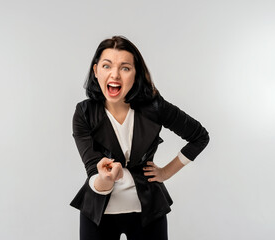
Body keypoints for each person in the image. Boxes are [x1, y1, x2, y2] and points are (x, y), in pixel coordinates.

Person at [70, 36, 209, 240]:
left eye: (125, 68)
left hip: (149, 211)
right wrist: (106, 179)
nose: (115, 75)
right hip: (98, 215)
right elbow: (93, 171)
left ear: (136, 74)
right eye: (107, 66)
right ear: (96, 71)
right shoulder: (84, 113)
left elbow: (199, 137)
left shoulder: (154, 107)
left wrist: (165, 173)